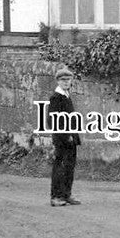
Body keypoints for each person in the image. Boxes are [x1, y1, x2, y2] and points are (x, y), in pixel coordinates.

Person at [48, 66, 81, 206]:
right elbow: (52, 120)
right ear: (58, 81)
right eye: (63, 80)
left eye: (68, 80)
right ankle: (55, 196)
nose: (66, 82)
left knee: (69, 167)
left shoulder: (67, 96)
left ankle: (66, 194)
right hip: (62, 139)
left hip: (71, 139)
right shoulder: (56, 97)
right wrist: (65, 135)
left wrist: (74, 135)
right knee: (59, 167)